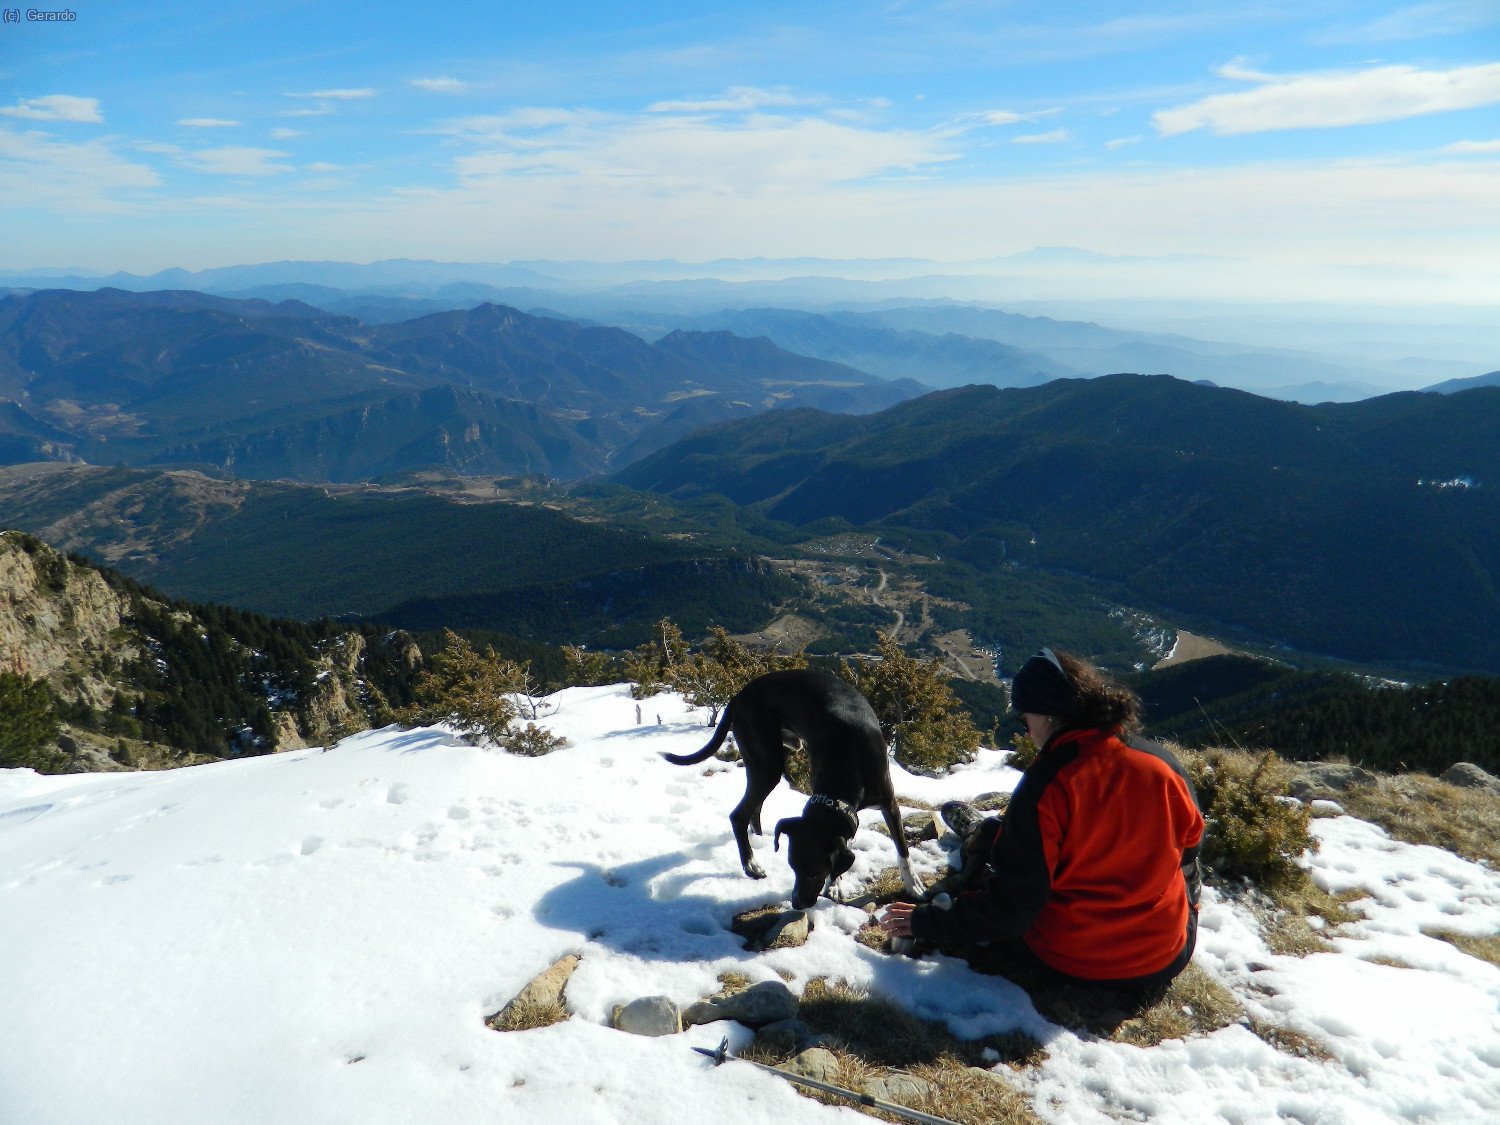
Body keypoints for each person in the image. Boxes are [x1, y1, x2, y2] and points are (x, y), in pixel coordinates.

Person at [880, 647, 1205, 1008]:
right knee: (1185, 874)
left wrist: (925, 922)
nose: (1026, 728)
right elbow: (1190, 848)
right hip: (1162, 958)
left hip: (1068, 959)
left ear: (1050, 715)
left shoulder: (1049, 784)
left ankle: (981, 835)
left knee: (998, 851)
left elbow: (1011, 909)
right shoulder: (1162, 764)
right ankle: (985, 834)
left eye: (1025, 718)